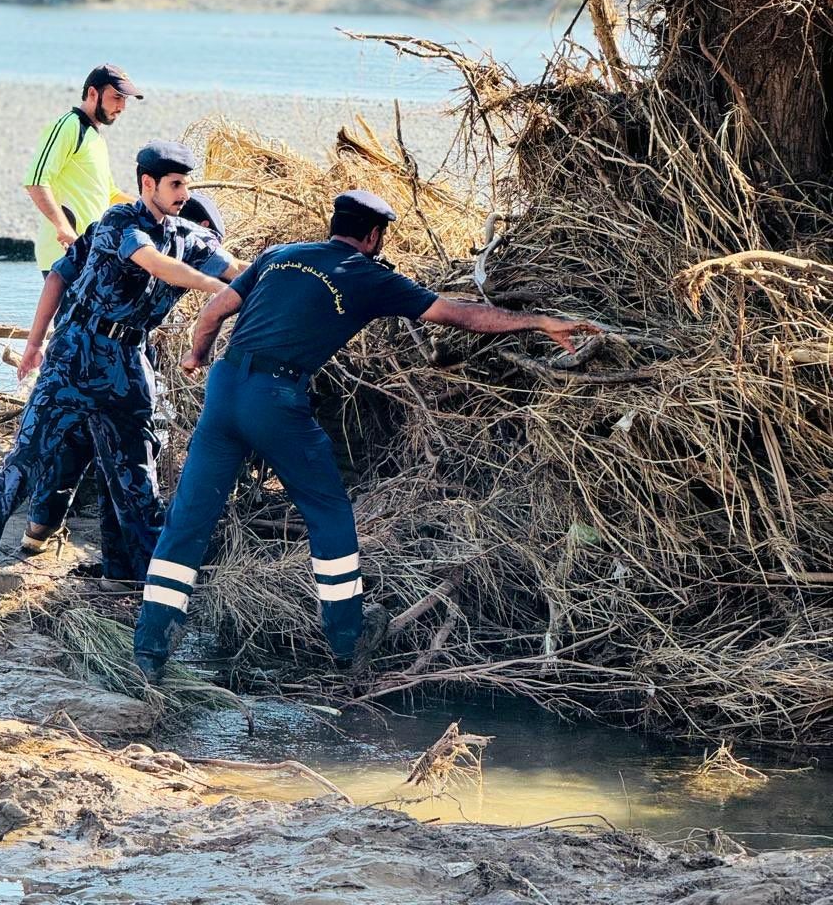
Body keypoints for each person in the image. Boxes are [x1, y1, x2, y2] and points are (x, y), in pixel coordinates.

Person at [133, 189, 599, 680]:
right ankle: (347, 637)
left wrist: (195, 359)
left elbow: (211, 314)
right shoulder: (368, 276)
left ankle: (150, 648)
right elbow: (460, 314)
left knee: (189, 516)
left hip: (224, 389)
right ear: (374, 236)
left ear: (334, 224)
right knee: (328, 513)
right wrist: (538, 321)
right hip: (275, 397)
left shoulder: (279, 256)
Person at [0, 142, 240, 586]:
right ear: (149, 184)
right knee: (27, 457)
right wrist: (34, 344)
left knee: (136, 477)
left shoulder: (188, 236)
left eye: (187, 184)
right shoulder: (118, 222)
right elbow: (152, 265)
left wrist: (278, 277)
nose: (184, 193)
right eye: (176, 184)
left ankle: (146, 582)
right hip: (76, 355)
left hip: (128, 363)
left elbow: (235, 270)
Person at [19, 190, 233, 556]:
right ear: (198, 228)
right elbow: (62, 278)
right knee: (108, 451)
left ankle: (42, 527)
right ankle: (112, 556)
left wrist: (38, 342)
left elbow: (59, 276)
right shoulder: (152, 244)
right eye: (210, 239)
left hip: (86, 349)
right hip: (94, 353)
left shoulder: (122, 231)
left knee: (83, 444)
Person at [24, 63, 141, 276]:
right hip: (64, 256)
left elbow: (110, 194)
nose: (122, 106)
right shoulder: (69, 126)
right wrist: (64, 229)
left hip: (89, 254)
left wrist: (151, 209)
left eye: (125, 99)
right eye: (116, 97)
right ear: (93, 93)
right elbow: (36, 181)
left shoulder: (95, 137)